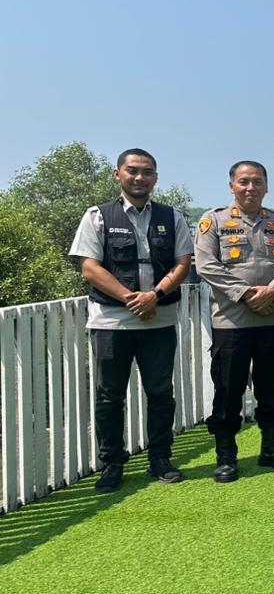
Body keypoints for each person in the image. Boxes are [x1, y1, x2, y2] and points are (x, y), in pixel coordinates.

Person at [68, 148, 193, 492]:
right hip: (111, 323)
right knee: (110, 395)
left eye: (147, 172)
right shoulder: (97, 216)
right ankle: (112, 463)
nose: (140, 178)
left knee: (161, 393)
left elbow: (183, 263)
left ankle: (160, 459)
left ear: (156, 177)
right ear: (117, 174)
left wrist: (155, 295)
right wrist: (131, 299)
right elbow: (89, 267)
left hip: (159, 321)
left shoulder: (172, 216)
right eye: (133, 170)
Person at [194, 160, 274, 483]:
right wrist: (246, 295)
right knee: (228, 390)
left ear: (266, 186)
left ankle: (272, 449)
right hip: (232, 322)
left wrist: (273, 291)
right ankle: (226, 456)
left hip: (273, 319)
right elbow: (206, 265)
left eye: (257, 181)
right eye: (243, 182)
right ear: (232, 186)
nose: (250, 187)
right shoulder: (213, 221)